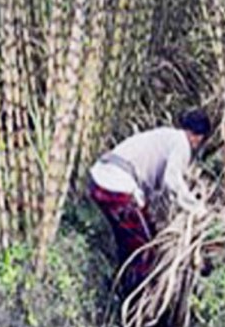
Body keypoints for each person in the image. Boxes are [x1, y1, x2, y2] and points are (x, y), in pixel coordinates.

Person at [88, 109, 212, 295]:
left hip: (99, 180)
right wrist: (196, 208)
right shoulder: (182, 143)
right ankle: (137, 299)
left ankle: (119, 288)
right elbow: (172, 179)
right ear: (198, 138)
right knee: (145, 248)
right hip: (118, 188)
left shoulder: (165, 136)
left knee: (129, 240)